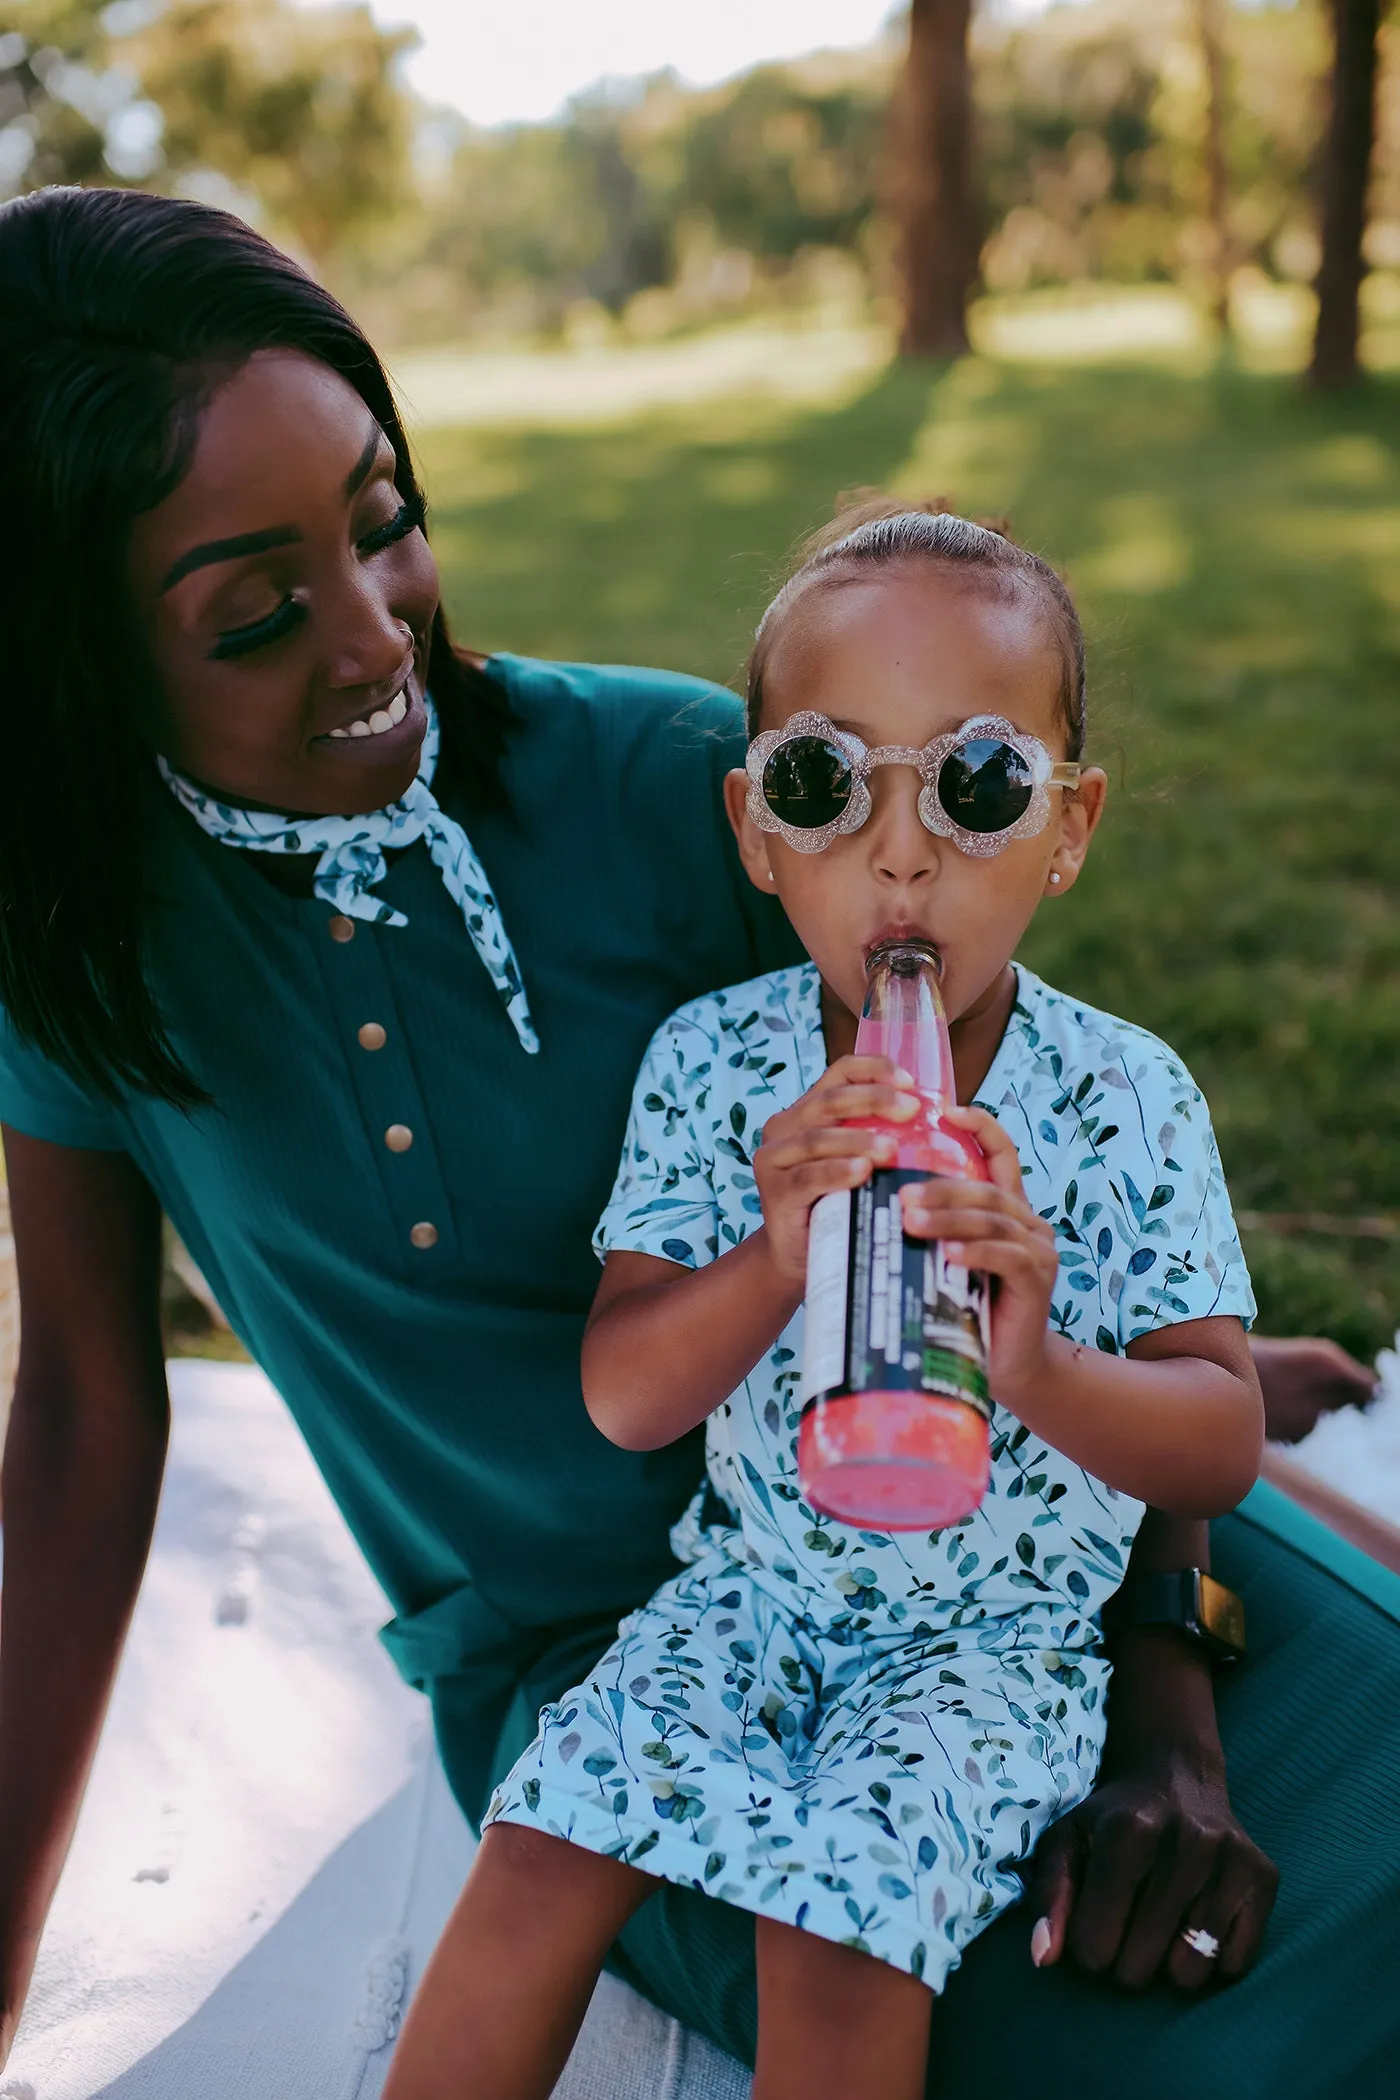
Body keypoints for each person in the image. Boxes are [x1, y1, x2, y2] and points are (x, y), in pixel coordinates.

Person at [0, 186, 1391, 2099]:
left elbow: (1015, 1153)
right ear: (69, 661)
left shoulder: (676, 789)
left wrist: (1174, 1672)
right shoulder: (76, 956)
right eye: (253, 612)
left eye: (386, 519)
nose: (374, 633)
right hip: (632, 1658)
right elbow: (82, 1419)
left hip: (1010, 1590)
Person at [380, 507, 1264, 2100]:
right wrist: (772, 1257)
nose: (902, 852)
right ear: (754, 829)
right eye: (823, 785)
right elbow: (628, 1396)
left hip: (984, 1653)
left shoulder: (1131, 1098)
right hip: (749, 1604)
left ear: (1069, 827)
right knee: (529, 1862)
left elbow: (1216, 1443)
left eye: (979, 786)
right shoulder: (719, 1069)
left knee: (839, 1953)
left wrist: (1040, 1360)